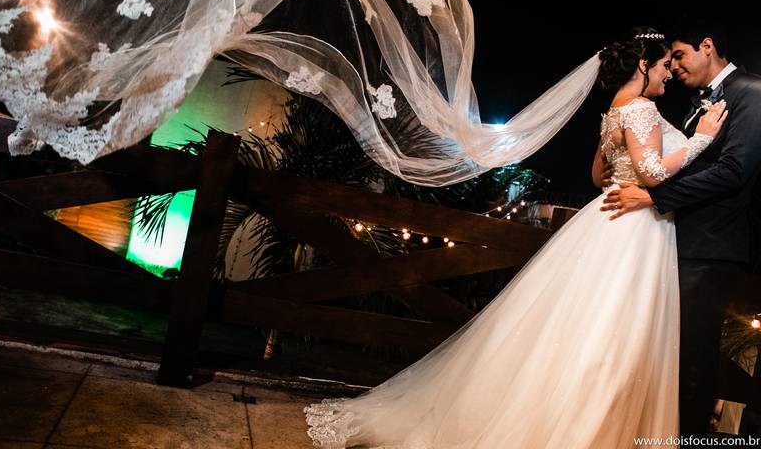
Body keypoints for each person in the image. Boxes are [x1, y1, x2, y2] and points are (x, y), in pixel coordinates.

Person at [304, 27, 727, 448]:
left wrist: (626, 178)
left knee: (580, 326)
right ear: (642, 64)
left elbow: (598, 177)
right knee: (615, 336)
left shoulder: (613, 110)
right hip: (635, 228)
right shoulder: (640, 109)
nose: (668, 73)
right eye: (663, 65)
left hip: (604, 219)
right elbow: (652, 172)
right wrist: (701, 141)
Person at [601, 19, 761, 436]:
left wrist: (654, 197)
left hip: (708, 249)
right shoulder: (695, 102)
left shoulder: (753, 93)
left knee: (691, 357)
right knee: (660, 352)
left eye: (679, 55)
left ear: (707, 45)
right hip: (671, 241)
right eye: (667, 59)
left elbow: (733, 172)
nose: (672, 67)